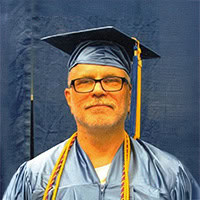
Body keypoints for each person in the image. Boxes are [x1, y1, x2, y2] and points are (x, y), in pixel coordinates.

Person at [3, 26, 200, 200]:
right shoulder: (35, 177)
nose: (98, 90)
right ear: (69, 98)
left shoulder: (169, 176)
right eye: (85, 82)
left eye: (112, 80)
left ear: (129, 95)